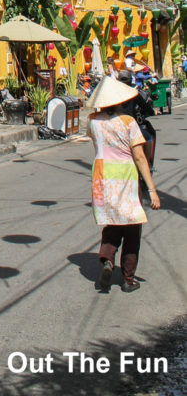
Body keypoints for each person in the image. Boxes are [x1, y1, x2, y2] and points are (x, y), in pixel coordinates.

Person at [84, 76, 160, 293]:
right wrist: (152, 190)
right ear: (120, 101)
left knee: (112, 222)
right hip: (125, 175)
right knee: (132, 226)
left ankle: (107, 260)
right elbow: (140, 157)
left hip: (101, 176)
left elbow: (96, 144)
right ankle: (128, 279)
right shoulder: (129, 123)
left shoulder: (93, 121)